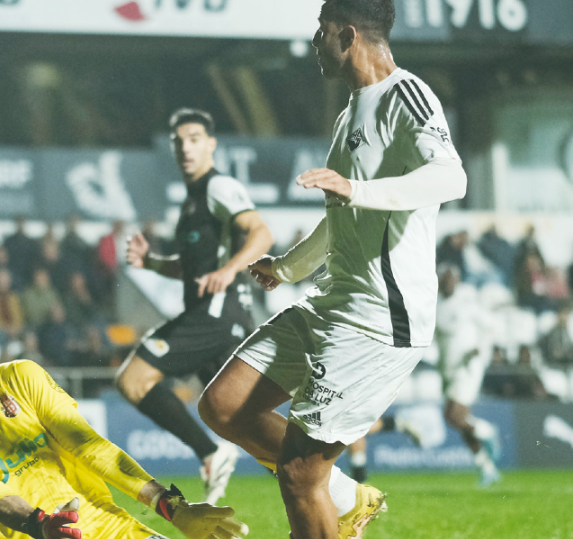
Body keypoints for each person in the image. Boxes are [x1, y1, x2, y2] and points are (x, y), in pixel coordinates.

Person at [197, 2, 467, 538]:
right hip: (330, 303)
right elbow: (342, 214)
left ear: (348, 35)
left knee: (300, 475)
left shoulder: (405, 95)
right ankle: (347, 497)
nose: (314, 42)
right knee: (223, 406)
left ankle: (329, 497)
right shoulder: (350, 113)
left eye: (321, 31)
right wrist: (288, 267)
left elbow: (451, 177)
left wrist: (356, 188)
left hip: (378, 320)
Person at [0, 317, 248, 539]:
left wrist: (171, 507)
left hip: (111, 527)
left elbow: (87, 445)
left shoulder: (18, 376)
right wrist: (41, 525)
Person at [119, 108, 275, 504]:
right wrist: (151, 263)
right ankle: (336, 489)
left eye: (194, 139)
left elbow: (261, 233)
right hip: (219, 317)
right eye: (179, 142)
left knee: (134, 379)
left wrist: (230, 269)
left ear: (211, 144)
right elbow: (190, 268)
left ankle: (210, 453)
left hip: (215, 315)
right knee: (240, 419)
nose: (185, 148)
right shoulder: (192, 201)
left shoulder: (218, 186)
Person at [433, 264, 502, 486]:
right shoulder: (435, 304)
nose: (447, 283)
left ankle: (488, 431)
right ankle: (487, 468)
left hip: (468, 365)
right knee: (453, 418)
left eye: (451, 279)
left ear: (457, 280)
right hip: (447, 368)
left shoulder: (467, 302)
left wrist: (479, 348)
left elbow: (491, 326)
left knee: (455, 415)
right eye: (444, 279)